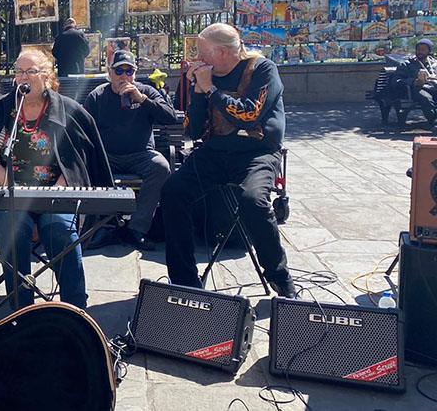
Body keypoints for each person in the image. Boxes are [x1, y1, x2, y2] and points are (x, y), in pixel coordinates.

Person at [0, 49, 113, 309]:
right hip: (12, 193)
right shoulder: (2, 112)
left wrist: (46, 199)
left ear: (46, 76)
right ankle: (21, 309)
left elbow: (75, 165)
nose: (23, 77)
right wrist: (19, 193)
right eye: (19, 72)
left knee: (59, 230)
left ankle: (75, 307)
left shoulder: (67, 111)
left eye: (30, 71)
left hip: (56, 194)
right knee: (14, 228)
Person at [160, 23, 295, 297]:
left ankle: (281, 280)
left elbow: (249, 115)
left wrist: (211, 90)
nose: (196, 59)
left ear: (221, 53)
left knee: (253, 202)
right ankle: (185, 281)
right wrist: (197, 93)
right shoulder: (205, 77)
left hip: (257, 153)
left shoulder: (262, 70)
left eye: (201, 53)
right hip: (215, 152)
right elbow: (193, 130)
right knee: (173, 191)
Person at [84, 50, 176, 251]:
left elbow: (170, 117)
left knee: (160, 166)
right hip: (108, 155)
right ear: (110, 73)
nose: (124, 76)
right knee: (88, 164)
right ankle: (104, 226)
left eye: (129, 71)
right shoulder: (98, 95)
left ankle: (137, 229)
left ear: (134, 74)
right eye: (119, 71)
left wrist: (142, 100)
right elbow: (83, 129)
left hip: (140, 154)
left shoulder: (147, 91)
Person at [395, 39, 437, 124]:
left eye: (423, 49)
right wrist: (414, 81)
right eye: (418, 49)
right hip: (417, 89)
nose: (420, 52)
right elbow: (398, 80)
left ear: (429, 51)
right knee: (426, 98)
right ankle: (433, 121)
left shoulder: (434, 63)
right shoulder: (407, 64)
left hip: (434, 87)